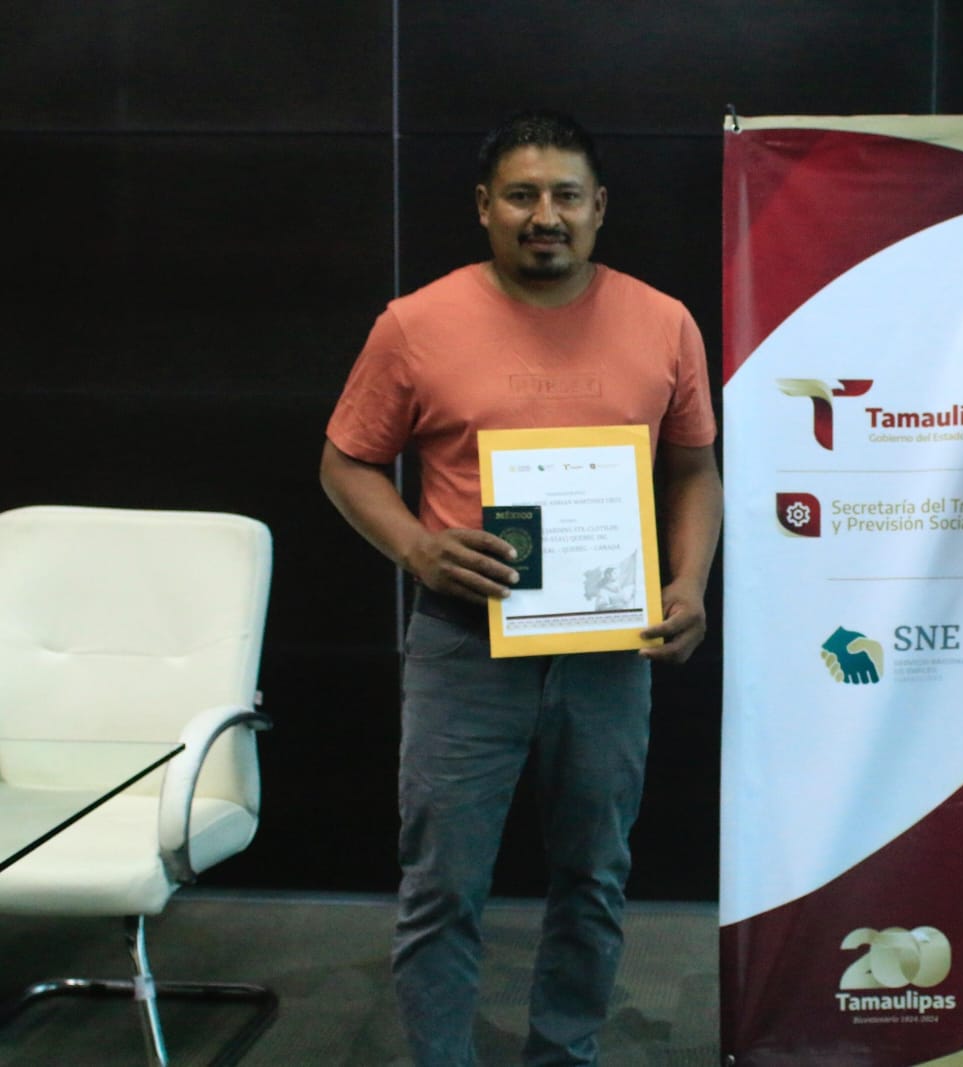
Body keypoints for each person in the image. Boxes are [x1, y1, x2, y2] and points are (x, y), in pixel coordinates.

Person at [320, 110, 722, 1066]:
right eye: (522, 195)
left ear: (599, 206)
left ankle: (564, 1051)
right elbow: (345, 462)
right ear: (484, 206)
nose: (546, 215)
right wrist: (419, 551)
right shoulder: (416, 323)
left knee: (594, 877)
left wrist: (691, 580)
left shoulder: (664, 321)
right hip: (465, 641)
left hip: (609, 646)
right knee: (442, 886)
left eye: (566, 195)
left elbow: (694, 468)